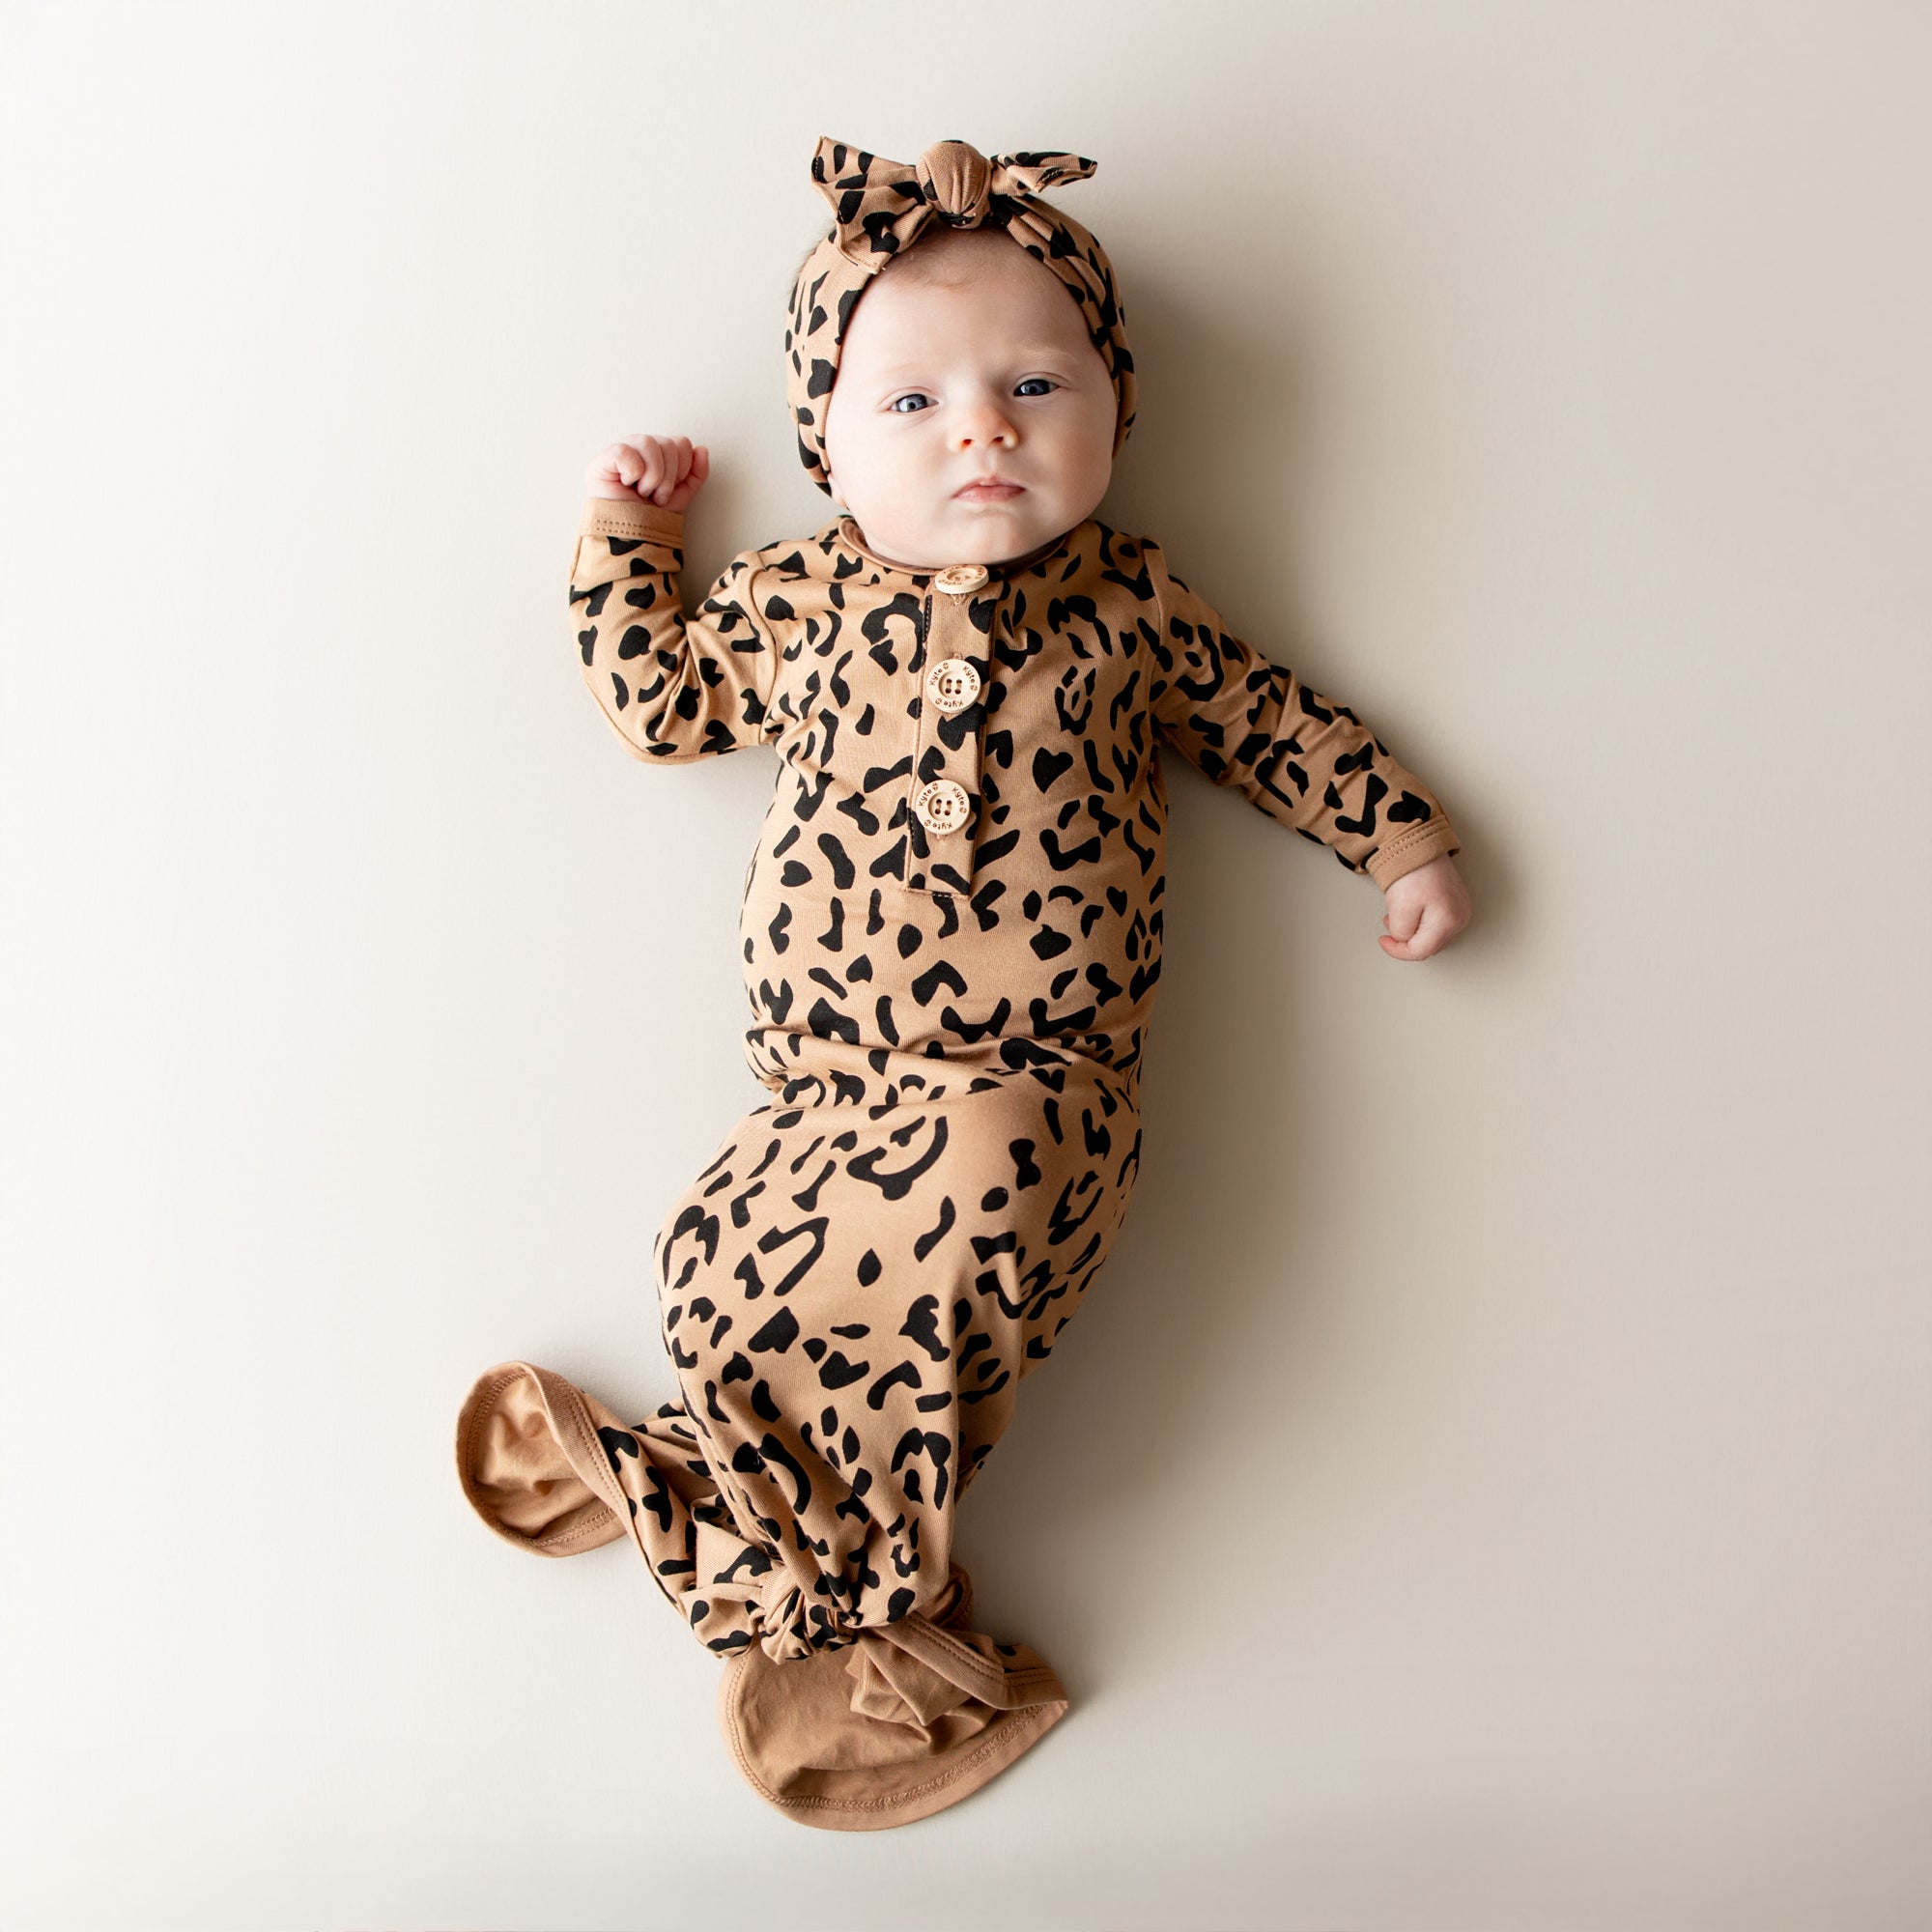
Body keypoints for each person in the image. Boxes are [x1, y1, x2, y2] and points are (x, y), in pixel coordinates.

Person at [455, 136, 1471, 1833]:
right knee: (717, 1254)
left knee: (960, 1234)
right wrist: (627, 529)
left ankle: (797, 1573)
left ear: (1115, 411)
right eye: (913, 402)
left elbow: (1271, 721)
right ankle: (766, 1529)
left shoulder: (1133, 605)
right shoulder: (797, 601)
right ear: (826, 444)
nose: (983, 428)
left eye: (1029, 382)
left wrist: (1400, 839)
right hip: (829, 1089)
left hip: (1039, 1083)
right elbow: (662, 704)